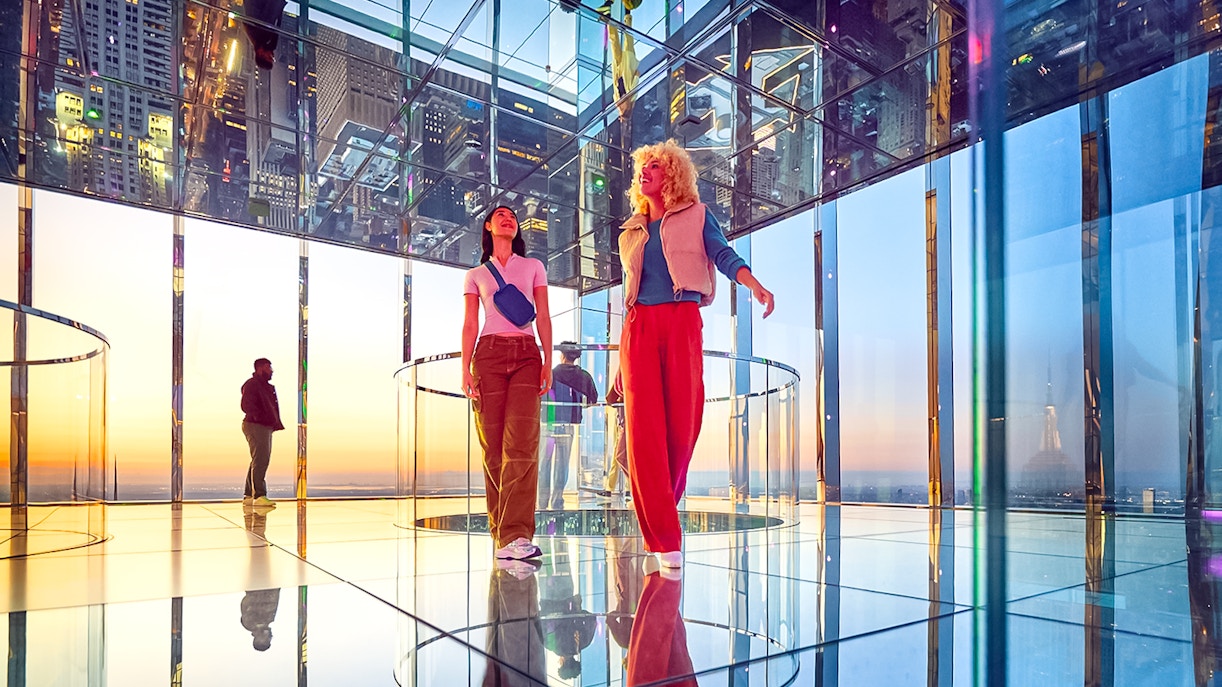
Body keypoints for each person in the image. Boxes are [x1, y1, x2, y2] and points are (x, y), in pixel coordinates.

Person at [618, 140, 775, 569]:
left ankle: (660, 513)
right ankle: (665, 537)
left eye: (655, 166)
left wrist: (752, 283)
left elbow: (723, 255)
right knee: (643, 432)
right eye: (641, 167)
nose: (645, 172)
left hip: (683, 318)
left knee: (683, 425)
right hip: (638, 330)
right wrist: (620, 360)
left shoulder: (698, 216)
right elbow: (628, 296)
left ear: (672, 175)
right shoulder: (630, 231)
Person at [463, 205, 553, 561]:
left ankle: (516, 535)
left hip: (527, 355)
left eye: (512, 216)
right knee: (493, 449)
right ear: (488, 226)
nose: (508, 219)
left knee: (522, 444)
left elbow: (542, 315)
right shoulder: (475, 274)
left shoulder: (533, 267)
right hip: (487, 355)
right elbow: (471, 323)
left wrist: (547, 359)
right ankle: (501, 536)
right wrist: (465, 367)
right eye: (500, 215)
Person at [539, 342, 599, 510]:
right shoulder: (583, 376)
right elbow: (593, 399)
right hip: (568, 425)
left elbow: (539, 396)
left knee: (544, 464)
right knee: (562, 465)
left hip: (548, 424)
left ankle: (541, 503)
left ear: (561, 355)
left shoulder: (551, 373)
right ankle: (557, 502)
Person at [241, 358, 284, 508]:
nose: (271, 370)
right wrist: (260, 418)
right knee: (261, 459)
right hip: (256, 425)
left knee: (257, 459)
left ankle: (249, 494)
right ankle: (259, 495)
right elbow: (246, 405)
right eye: (268, 367)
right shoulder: (252, 384)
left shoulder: (264, 386)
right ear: (260, 368)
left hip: (261, 425)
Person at [604, 369, 630, 498]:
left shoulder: (625, 370)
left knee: (620, 453)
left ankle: (626, 487)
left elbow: (610, 398)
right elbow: (610, 398)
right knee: (621, 452)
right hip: (623, 418)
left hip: (626, 419)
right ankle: (616, 487)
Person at [242, 0, 287, 71]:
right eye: (272, 58)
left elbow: (270, 10)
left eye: (269, 57)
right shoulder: (260, 37)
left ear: (260, 54)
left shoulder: (259, 34)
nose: (272, 55)